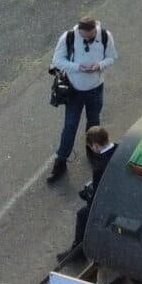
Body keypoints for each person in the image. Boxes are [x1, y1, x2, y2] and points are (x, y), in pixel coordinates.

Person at [47, 15, 117, 184]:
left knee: (94, 123)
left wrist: (99, 66)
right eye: (85, 36)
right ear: (79, 31)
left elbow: (112, 57)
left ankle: (93, 152)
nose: (89, 39)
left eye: (91, 36)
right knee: (70, 126)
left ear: (95, 29)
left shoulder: (105, 36)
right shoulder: (68, 37)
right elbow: (57, 61)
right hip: (74, 90)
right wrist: (78, 68)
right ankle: (60, 162)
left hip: (95, 88)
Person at [62, 124, 118, 263]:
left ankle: (78, 252)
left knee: (83, 215)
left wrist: (89, 200)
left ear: (95, 146)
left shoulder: (100, 165)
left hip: (109, 202)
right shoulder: (119, 148)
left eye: (91, 147)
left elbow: (97, 194)